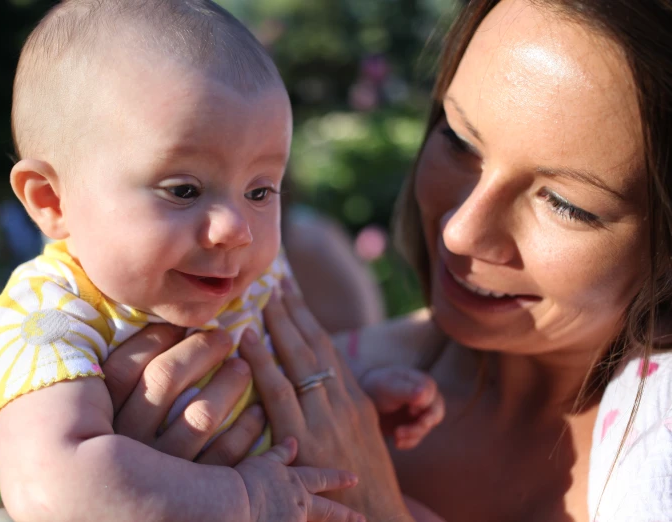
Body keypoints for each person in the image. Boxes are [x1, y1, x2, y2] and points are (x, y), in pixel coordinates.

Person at [103, 0, 672, 520]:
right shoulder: (321, 388)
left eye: (565, 204)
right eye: (458, 141)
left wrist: (376, 507)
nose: (460, 232)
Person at [0, 1, 442, 521]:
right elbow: (56, 492)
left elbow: (275, 366)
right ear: (52, 201)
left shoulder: (243, 273)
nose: (237, 229)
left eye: (261, 190)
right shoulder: (51, 315)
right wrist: (247, 498)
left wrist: (359, 394)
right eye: (184, 189)